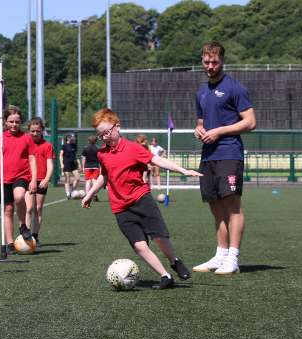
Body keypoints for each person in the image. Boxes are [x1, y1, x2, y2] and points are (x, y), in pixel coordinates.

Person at [81, 108, 201, 290]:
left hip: (142, 200)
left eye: (106, 132)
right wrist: (90, 194)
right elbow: (104, 176)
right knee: (140, 246)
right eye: (100, 135)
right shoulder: (102, 154)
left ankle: (174, 261)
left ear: (117, 127)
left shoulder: (134, 148)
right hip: (120, 208)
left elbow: (157, 161)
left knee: (159, 237)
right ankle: (165, 276)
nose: (104, 138)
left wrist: (183, 171)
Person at [192, 41, 257, 275]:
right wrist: (198, 130)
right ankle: (220, 256)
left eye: (215, 62)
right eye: (207, 62)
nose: (210, 66)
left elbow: (250, 122)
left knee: (232, 206)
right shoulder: (200, 92)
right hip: (208, 156)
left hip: (229, 153)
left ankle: (233, 258)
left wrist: (219, 131)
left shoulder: (234, 88)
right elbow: (201, 124)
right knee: (215, 208)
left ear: (223, 61)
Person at [0, 106, 38, 254]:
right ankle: (10, 244)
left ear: (21, 121)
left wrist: (34, 180)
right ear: (5, 121)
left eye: (17, 121)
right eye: (11, 121)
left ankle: (23, 226)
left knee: (19, 196)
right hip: (3, 178)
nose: (14, 124)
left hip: (21, 175)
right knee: (8, 210)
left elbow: (32, 160)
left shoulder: (27, 138)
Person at [28, 117, 55, 244]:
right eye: (32, 131)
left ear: (42, 130)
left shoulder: (47, 145)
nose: (35, 133)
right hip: (28, 180)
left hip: (41, 180)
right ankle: (25, 235)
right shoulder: (26, 143)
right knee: (28, 208)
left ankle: (35, 236)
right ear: (29, 130)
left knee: (38, 209)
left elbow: (50, 164)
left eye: (37, 131)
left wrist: (46, 179)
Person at [82, 135, 102, 202]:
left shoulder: (85, 148)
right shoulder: (98, 149)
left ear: (89, 141)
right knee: (95, 181)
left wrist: (83, 167)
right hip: (95, 166)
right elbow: (100, 159)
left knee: (88, 181)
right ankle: (95, 196)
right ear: (95, 141)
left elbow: (84, 158)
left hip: (87, 166)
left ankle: (87, 195)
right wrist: (100, 167)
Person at [60, 133, 80, 199]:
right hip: (66, 164)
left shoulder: (74, 145)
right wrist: (62, 164)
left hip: (73, 164)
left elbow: (76, 155)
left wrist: (79, 163)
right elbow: (60, 155)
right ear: (68, 138)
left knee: (77, 178)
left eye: (73, 139)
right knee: (67, 179)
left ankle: (73, 190)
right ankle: (68, 193)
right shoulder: (64, 145)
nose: (72, 140)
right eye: (71, 139)